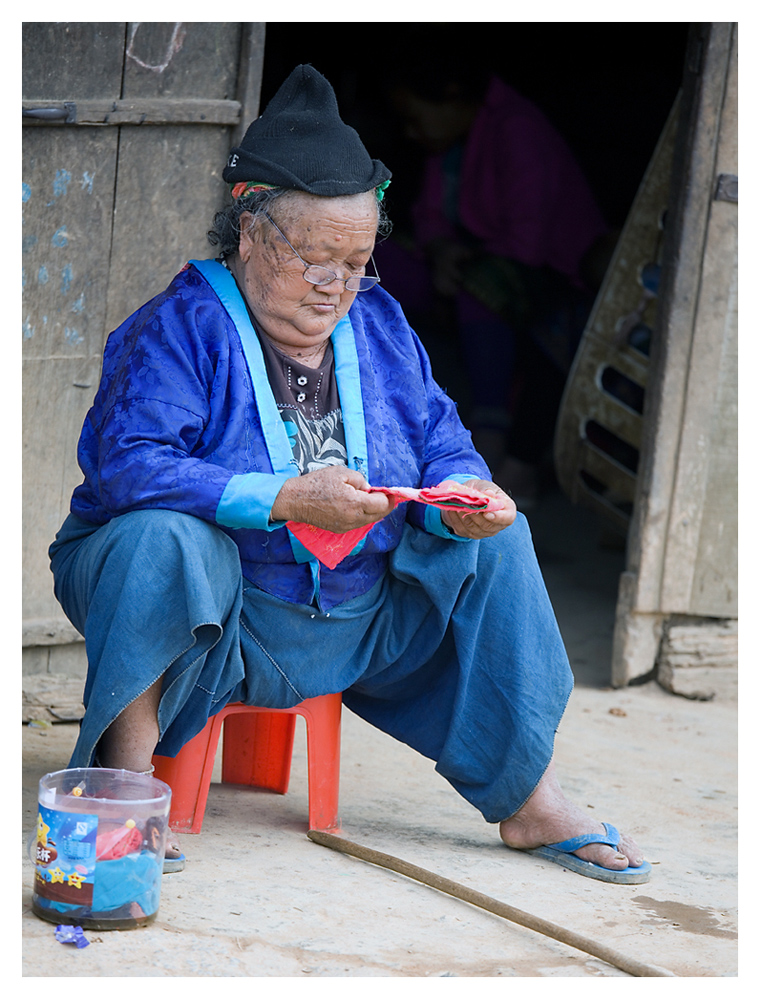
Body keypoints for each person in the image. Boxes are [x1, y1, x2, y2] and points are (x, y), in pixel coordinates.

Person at [48, 64, 649, 885]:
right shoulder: (178, 325)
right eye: (317, 258)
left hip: (358, 618)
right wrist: (289, 498)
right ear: (251, 231)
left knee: (501, 539)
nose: (338, 285)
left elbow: (440, 436)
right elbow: (127, 467)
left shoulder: (379, 319)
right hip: (226, 620)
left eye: (358, 260)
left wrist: (461, 500)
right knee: (161, 537)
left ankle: (528, 797)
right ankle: (127, 786)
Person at [379, 47, 613, 504]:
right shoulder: (446, 150)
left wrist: (458, 261)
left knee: (480, 289)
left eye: (414, 115)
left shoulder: (515, 129)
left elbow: (526, 243)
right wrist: (442, 252)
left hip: (548, 278)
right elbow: (430, 222)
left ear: (449, 96)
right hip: (469, 267)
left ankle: (490, 435)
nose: (410, 131)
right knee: (379, 266)